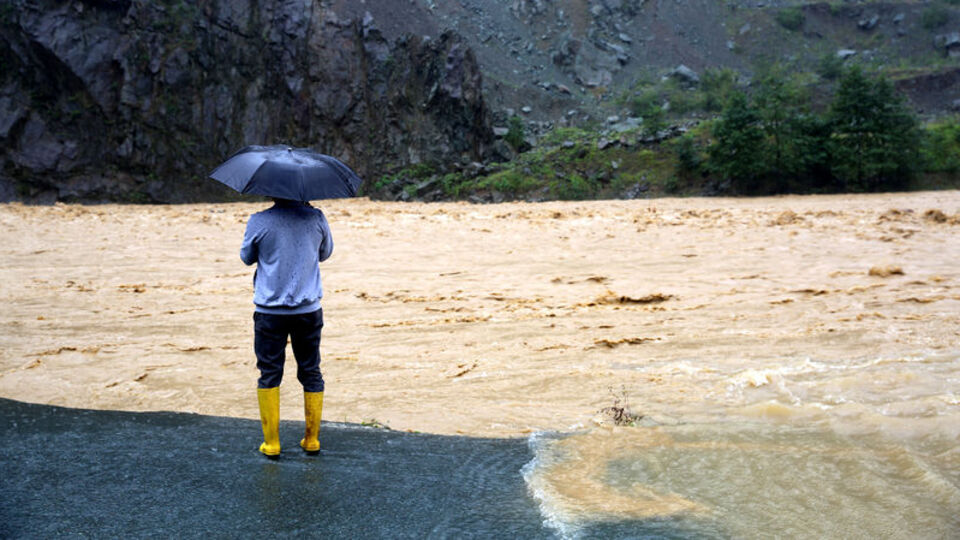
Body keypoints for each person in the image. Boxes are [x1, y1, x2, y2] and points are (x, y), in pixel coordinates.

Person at [240, 197, 333, 458]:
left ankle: (272, 443)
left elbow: (246, 257)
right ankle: (312, 440)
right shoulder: (316, 218)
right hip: (308, 310)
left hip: (270, 312)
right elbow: (325, 253)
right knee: (311, 370)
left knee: (269, 372)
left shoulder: (259, 221)